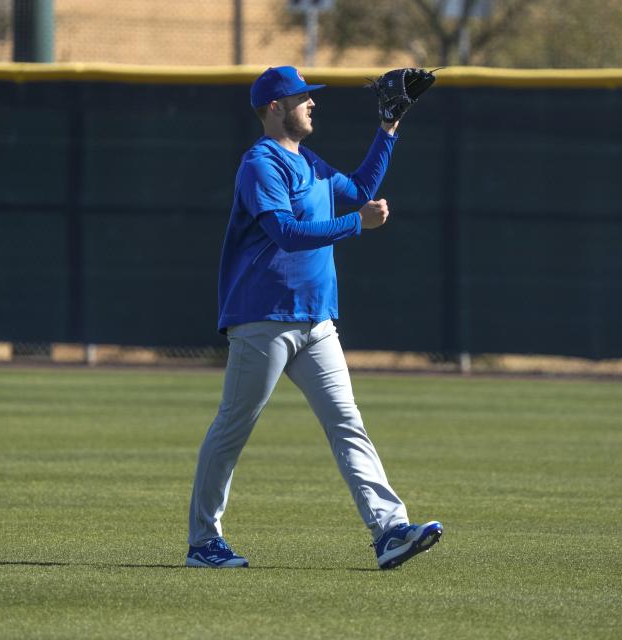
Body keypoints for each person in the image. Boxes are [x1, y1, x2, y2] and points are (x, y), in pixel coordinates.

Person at [186, 66, 442, 570]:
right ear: (275, 107)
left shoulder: (311, 163)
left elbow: (362, 185)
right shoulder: (261, 164)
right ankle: (203, 542)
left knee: (347, 423)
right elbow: (284, 232)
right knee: (234, 428)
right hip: (264, 317)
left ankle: (389, 530)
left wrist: (388, 127)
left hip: (317, 320)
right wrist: (357, 224)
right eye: (302, 98)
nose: (312, 104)